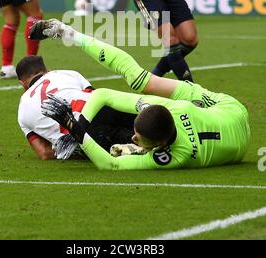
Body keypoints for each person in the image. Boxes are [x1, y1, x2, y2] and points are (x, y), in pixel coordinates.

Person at [30, 19, 250, 170]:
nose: (132, 135)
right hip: (229, 108)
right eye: (136, 136)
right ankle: (69, 33)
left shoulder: (176, 156)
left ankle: (136, 151)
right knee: (139, 80)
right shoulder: (173, 108)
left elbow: (111, 165)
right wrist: (78, 126)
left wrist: (79, 134)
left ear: (162, 144)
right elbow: (103, 94)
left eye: (137, 137)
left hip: (234, 127)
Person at [16, 55, 136, 161]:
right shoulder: (66, 73)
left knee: (134, 143)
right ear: (46, 70)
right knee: (149, 126)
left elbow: (44, 153)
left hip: (88, 134)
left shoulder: (22, 110)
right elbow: (96, 96)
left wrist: (79, 150)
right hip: (107, 109)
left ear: (22, 84)